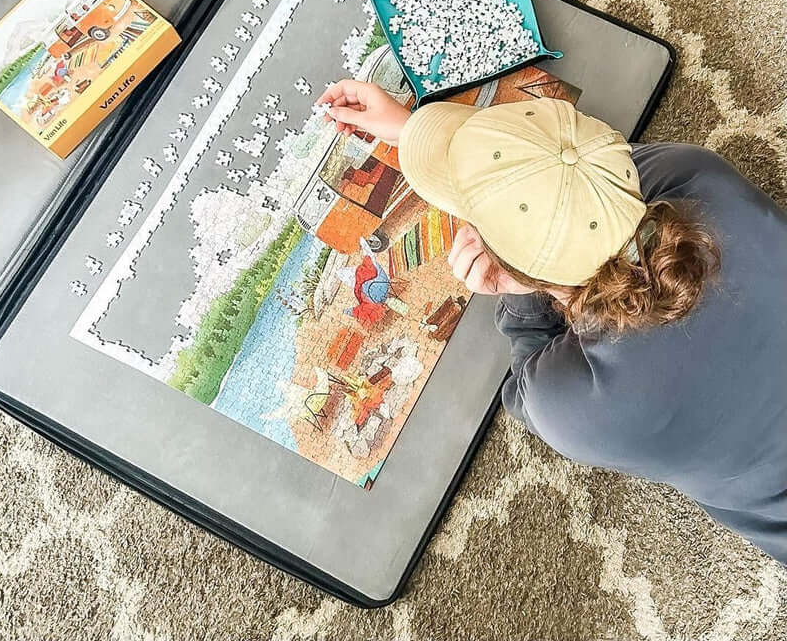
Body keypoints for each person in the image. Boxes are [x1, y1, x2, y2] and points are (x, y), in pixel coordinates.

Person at [317, 78, 787, 566]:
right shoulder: (695, 175)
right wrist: (409, 128)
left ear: (503, 263)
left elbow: (523, 392)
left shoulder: (573, 405)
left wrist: (522, 290)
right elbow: (580, 195)